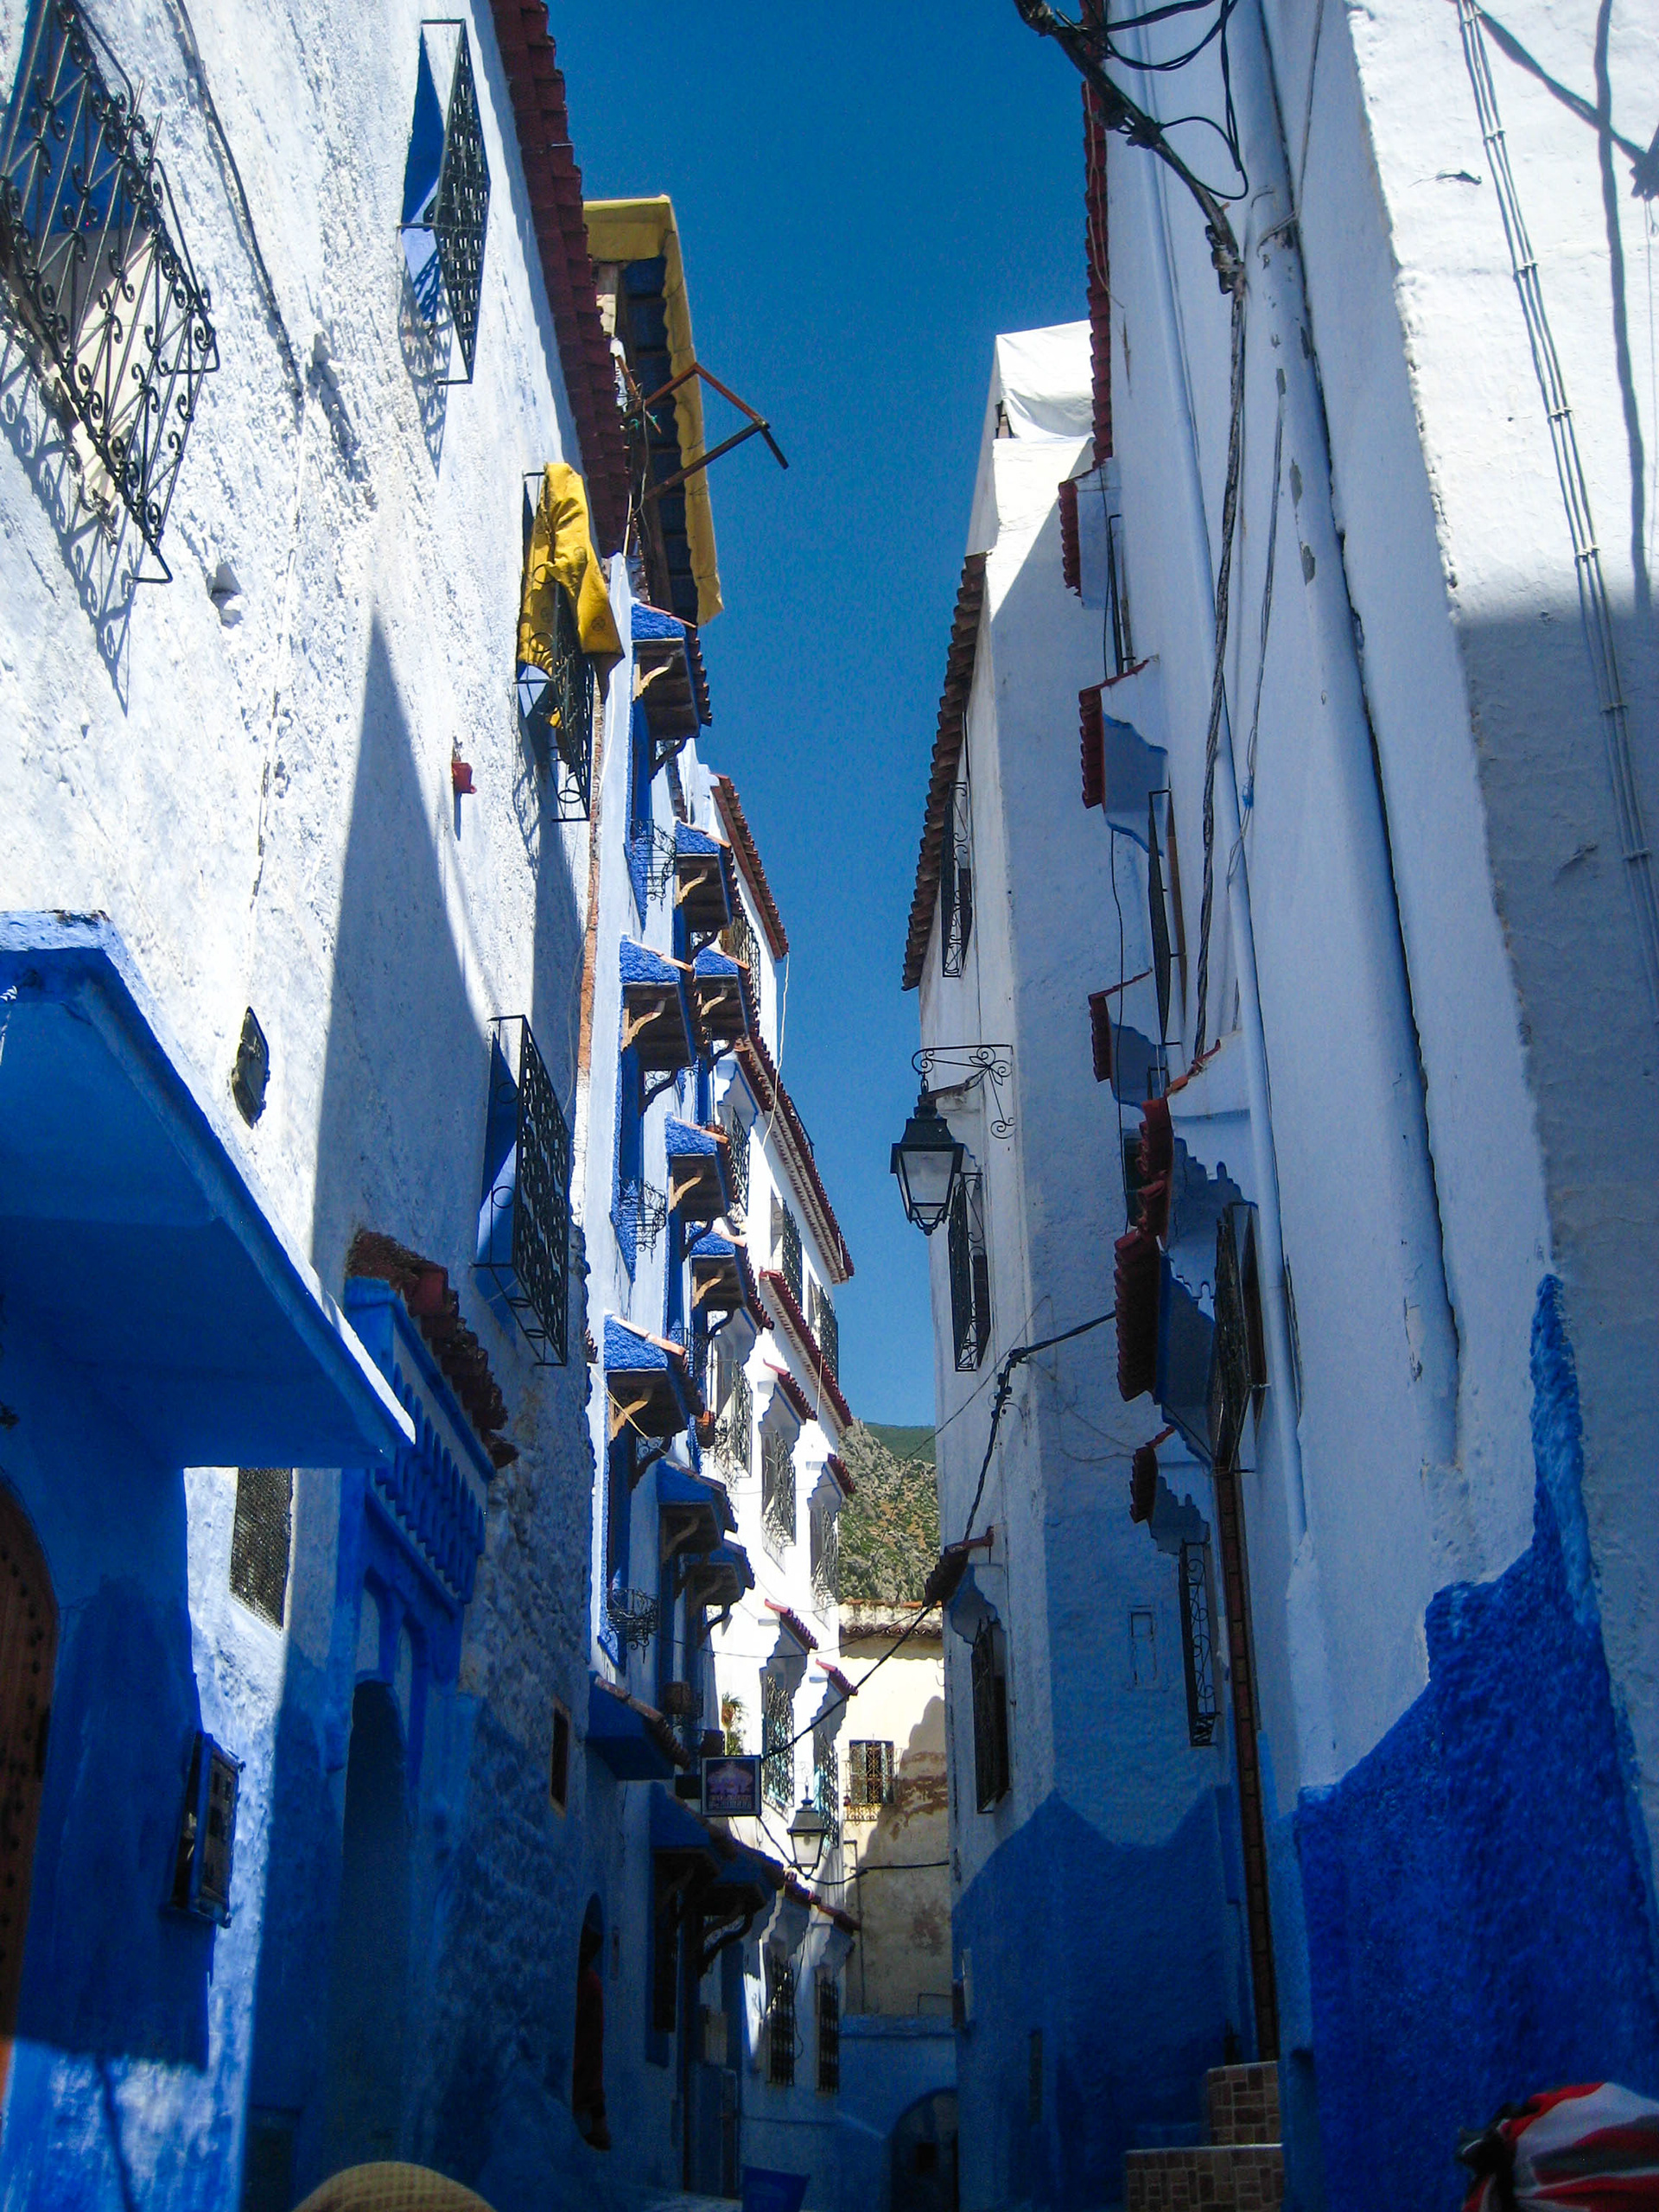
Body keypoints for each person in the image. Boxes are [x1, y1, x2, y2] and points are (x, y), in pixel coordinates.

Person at [571, 1921, 611, 2152]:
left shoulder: (588, 1982)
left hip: (586, 2039)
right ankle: (599, 2130)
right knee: (592, 2081)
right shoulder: (590, 1980)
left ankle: (599, 2130)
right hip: (588, 2039)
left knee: (591, 2081)